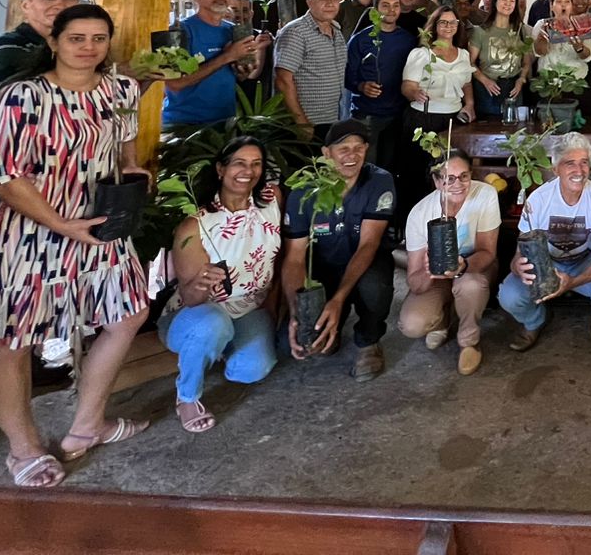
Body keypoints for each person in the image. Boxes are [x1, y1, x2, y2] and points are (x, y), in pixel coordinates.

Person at [0, 4, 150, 488]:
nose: (88, 48)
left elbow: (124, 146)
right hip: (31, 230)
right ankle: (22, 449)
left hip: (99, 225)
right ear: (54, 42)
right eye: (76, 38)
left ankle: (88, 424)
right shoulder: (21, 98)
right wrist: (61, 223)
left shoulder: (122, 89)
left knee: (128, 314)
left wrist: (132, 171)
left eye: (99, 38)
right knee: (13, 340)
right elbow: (2, 175)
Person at [0, 0, 83, 423]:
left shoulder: (68, 50)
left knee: (33, 287)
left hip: (55, 190)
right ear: (24, 5)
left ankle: (21, 368)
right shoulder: (7, 50)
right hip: (6, 191)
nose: (58, 4)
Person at [158, 136, 281, 434]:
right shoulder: (196, 223)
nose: (247, 171)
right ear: (220, 169)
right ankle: (187, 397)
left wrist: (276, 304)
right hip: (196, 315)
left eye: (256, 164)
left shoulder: (272, 199)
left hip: (249, 307)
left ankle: (219, 348)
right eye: (239, 163)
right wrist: (200, 283)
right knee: (213, 323)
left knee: (251, 370)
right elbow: (189, 298)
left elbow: (284, 255)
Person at [280, 120, 396, 381]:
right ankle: (326, 327)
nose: (351, 155)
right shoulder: (303, 190)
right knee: (304, 345)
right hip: (323, 267)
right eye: (343, 148)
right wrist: (297, 312)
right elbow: (295, 258)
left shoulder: (379, 181)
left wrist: (338, 299)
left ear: (367, 149)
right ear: (326, 153)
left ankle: (368, 340)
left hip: (365, 263)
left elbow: (368, 245)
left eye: (358, 148)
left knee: (375, 287)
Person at [499, 132, 591, 357]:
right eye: (570, 164)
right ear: (555, 168)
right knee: (509, 294)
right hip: (545, 264)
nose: (579, 171)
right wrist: (517, 266)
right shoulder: (538, 200)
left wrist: (572, 282)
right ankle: (534, 321)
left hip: (584, 261)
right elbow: (519, 255)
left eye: (584, 163)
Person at [399, 151, 499, 376]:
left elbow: (487, 252)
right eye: (448, 178)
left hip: (474, 268)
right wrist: (430, 272)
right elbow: (415, 282)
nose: (458, 184)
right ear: (436, 181)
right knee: (412, 323)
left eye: (464, 176)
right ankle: (444, 319)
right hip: (437, 278)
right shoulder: (419, 213)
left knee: (469, 285)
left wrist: (461, 266)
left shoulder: (485, 194)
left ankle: (469, 341)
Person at [163, 0, 268, 128]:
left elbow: (238, 77)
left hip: (225, 123)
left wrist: (243, 70)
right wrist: (227, 56)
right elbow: (175, 84)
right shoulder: (176, 30)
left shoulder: (232, 30)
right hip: (183, 125)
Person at [400, 7, 475, 209]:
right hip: (424, 119)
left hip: (453, 120)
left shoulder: (463, 54)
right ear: (435, 25)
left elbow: (467, 83)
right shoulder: (422, 54)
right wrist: (415, 93)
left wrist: (469, 104)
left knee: (451, 172)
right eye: (443, 22)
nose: (448, 26)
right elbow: (407, 86)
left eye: (453, 22)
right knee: (422, 173)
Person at [344, 0, 418, 172]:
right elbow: (346, 76)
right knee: (365, 167)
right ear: (375, 10)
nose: (391, 10)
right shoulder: (360, 40)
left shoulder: (408, 41)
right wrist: (361, 85)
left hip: (397, 114)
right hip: (366, 114)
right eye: (385, 5)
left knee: (389, 168)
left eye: (396, 6)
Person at [274, 0, 348, 139]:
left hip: (332, 119)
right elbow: (283, 80)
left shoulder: (337, 30)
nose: (330, 4)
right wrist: (302, 123)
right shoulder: (296, 32)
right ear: (309, 2)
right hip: (305, 123)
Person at [469, 0, 533, 120]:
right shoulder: (481, 31)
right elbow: (470, 63)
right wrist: (484, 80)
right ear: (495, 1)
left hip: (513, 89)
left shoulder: (521, 31)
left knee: (514, 132)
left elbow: (526, 63)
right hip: (487, 89)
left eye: (512, 1)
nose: (508, 4)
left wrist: (521, 80)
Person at [532, 0, 591, 92]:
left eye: (567, 1)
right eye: (558, 1)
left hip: (575, 81)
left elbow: (587, 57)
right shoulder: (542, 24)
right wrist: (542, 38)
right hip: (548, 83)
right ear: (551, 6)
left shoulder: (582, 25)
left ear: (571, 6)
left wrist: (579, 47)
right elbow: (539, 52)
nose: (563, 5)